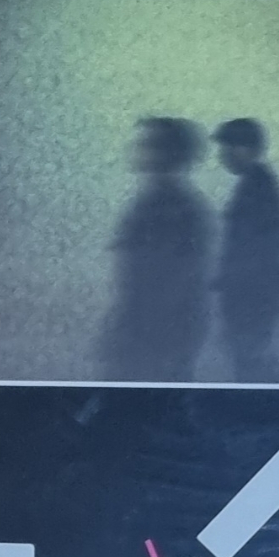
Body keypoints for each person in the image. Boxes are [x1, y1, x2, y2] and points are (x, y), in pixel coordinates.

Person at [99, 117, 213, 382]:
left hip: (157, 338)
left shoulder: (173, 208)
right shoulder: (161, 202)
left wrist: (135, 335)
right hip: (151, 334)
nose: (137, 149)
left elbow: (169, 282)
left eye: (147, 144)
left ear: (166, 153)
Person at [212, 118, 279, 382]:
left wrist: (232, 285)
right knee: (248, 360)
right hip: (253, 292)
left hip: (251, 295)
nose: (224, 155)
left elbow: (254, 248)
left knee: (249, 362)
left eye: (231, 147)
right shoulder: (257, 184)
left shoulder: (257, 187)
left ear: (251, 149)